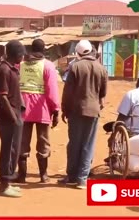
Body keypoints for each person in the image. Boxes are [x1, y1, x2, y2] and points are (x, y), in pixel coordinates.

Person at [58, 39, 107, 189]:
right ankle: (82, 179)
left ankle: (71, 176)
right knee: (88, 145)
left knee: (74, 144)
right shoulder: (102, 68)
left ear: (78, 53)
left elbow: (68, 92)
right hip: (93, 111)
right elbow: (103, 93)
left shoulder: (75, 67)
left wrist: (64, 109)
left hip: (76, 110)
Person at [14, 39, 60, 183]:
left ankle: (21, 175)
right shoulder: (48, 66)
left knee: (22, 142)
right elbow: (52, 90)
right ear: (44, 49)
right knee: (43, 142)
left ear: (30, 49)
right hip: (42, 110)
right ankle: (43, 175)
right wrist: (56, 109)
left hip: (22, 108)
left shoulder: (19, 64)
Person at [0, 40, 26, 198]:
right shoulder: (4, 70)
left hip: (14, 114)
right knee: (9, 150)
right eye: (21, 54)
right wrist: (13, 117)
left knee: (13, 149)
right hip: (8, 117)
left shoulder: (11, 69)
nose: (23, 57)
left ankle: (7, 182)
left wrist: (20, 106)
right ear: (16, 54)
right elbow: (2, 96)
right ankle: (4, 185)